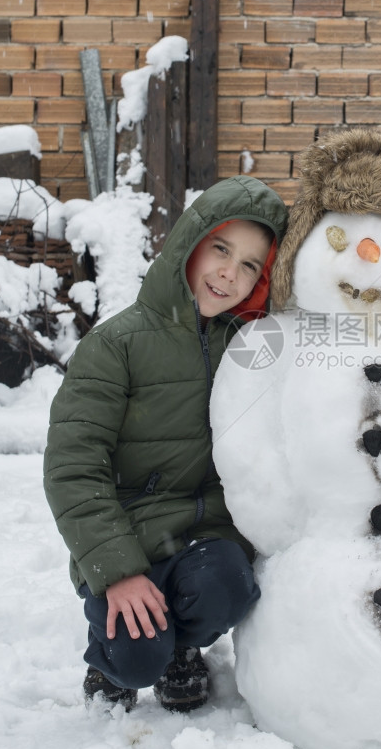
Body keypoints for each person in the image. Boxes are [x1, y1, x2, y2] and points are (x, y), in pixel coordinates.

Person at [44, 175, 288, 713]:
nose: (230, 272)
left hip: (205, 537)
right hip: (126, 533)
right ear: (189, 244)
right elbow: (73, 465)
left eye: (250, 264)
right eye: (221, 249)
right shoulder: (117, 344)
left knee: (229, 586)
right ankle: (111, 660)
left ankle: (182, 648)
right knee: (136, 656)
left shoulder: (252, 348)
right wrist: (117, 571)